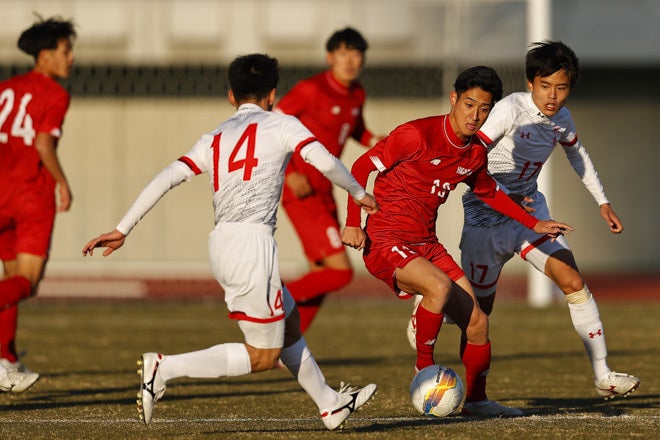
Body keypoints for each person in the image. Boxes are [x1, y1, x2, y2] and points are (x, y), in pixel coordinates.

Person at [82, 54, 378, 430]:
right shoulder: (283, 124)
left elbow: (166, 177)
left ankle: (330, 404)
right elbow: (325, 159)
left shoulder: (215, 137)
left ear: (230, 96)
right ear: (273, 94)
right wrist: (356, 191)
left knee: (289, 323)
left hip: (223, 242)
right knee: (264, 357)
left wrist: (123, 228)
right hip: (253, 247)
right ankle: (164, 368)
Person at [342, 66, 573, 417]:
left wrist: (534, 222)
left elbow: (490, 191)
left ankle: (477, 401)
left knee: (478, 321)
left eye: (484, 108)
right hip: (386, 240)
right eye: (469, 104)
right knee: (438, 287)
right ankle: (424, 372)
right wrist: (352, 223)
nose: (475, 115)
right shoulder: (416, 135)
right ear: (454, 99)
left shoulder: (473, 154)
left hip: (426, 244)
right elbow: (359, 168)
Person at [457, 41, 639, 399]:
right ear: (530, 83)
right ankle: (474, 394)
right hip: (485, 216)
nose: (553, 96)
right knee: (478, 313)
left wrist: (602, 202)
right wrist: (506, 200)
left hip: (530, 214)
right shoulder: (510, 109)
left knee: (572, 279)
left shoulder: (563, 119)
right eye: (545, 86)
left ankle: (604, 375)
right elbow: (470, 160)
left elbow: (578, 155)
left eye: (561, 87)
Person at [274, 27, 381, 332]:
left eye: (356, 54)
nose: (350, 60)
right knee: (340, 273)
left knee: (321, 273)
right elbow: (275, 125)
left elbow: (356, 130)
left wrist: (379, 140)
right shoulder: (311, 89)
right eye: (343, 53)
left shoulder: (357, 93)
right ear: (330, 57)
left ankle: (288, 345)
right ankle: (268, 304)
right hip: (301, 190)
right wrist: (290, 173)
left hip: (325, 189)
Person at [0, 16, 76, 392]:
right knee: (26, 283)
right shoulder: (56, 94)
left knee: (10, 280)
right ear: (45, 56)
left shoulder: (6, 87)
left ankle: (6, 359)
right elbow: (44, 143)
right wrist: (62, 183)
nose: (71, 58)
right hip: (30, 194)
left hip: (0, 191)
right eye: (65, 51)